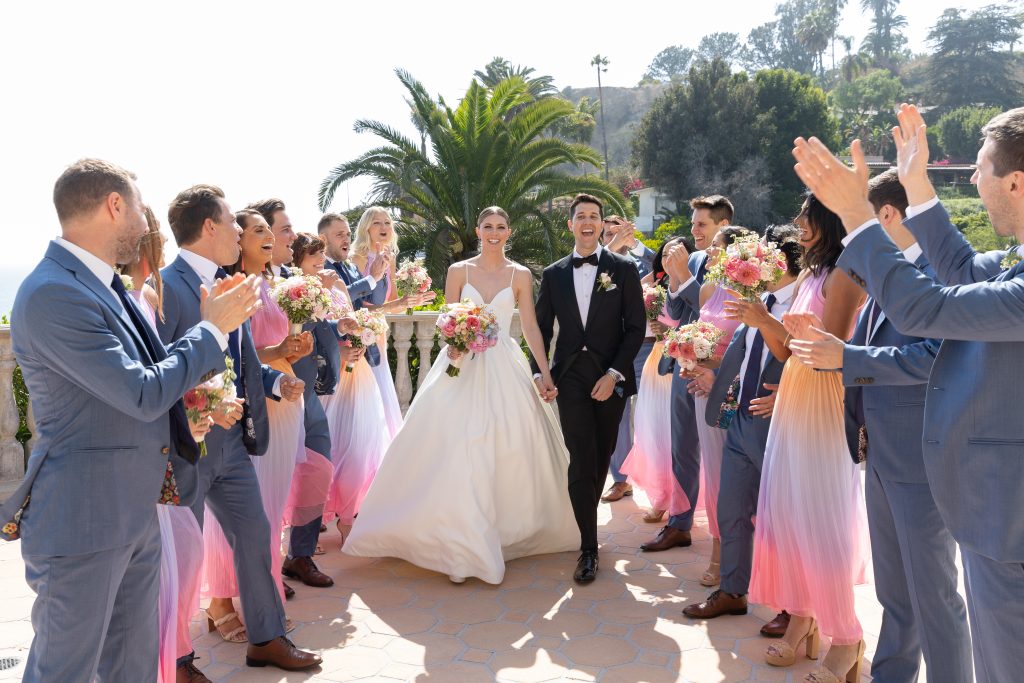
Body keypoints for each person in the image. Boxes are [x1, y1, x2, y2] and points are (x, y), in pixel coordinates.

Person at [791, 103, 1024, 683]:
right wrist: (918, 187)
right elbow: (963, 272)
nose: (971, 179)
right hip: (990, 506)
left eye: (979, 167)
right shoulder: (1011, 261)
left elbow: (930, 309)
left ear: (1016, 182)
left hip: (1008, 514)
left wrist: (857, 218)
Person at [2, 159, 258, 683]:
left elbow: (139, 383)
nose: (146, 223)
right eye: (140, 208)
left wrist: (190, 414)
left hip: (134, 512)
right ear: (114, 206)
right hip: (84, 522)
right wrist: (211, 332)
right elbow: (141, 391)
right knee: (64, 672)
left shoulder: (105, 285)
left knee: (131, 669)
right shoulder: (55, 292)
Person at [787, 169, 972, 682]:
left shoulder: (939, 275)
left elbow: (935, 356)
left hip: (920, 456)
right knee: (895, 591)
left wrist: (847, 357)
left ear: (887, 215)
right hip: (881, 453)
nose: (850, 235)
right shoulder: (883, 274)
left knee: (933, 595)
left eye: (856, 220)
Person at [344, 206, 579, 584]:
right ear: (477, 229)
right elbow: (445, 318)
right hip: (460, 364)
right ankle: (458, 544)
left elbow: (532, 328)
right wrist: (453, 344)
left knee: (506, 445)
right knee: (453, 445)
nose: (494, 232)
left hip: (503, 365)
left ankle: (503, 534)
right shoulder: (458, 271)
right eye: (488, 226)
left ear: (509, 232)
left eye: (501, 227)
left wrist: (544, 372)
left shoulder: (519, 275)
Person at [157, 184, 321, 671]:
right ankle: (179, 659)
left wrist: (274, 384)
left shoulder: (232, 281)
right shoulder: (165, 288)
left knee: (256, 535)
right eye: (232, 222)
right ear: (209, 227)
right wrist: (201, 409)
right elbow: (162, 367)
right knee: (184, 558)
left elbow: (242, 357)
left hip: (233, 447)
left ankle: (266, 638)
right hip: (190, 449)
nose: (236, 230)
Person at [747, 194, 870, 683]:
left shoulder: (845, 274)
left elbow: (831, 350)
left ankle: (846, 638)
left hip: (822, 397)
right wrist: (763, 322)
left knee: (820, 518)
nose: (798, 223)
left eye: (806, 215)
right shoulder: (810, 274)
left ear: (829, 221)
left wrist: (779, 325)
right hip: (796, 392)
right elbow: (785, 347)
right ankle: (802, 619)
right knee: (791, 511)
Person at [680, 225, 801, 637]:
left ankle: (792, 606)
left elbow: (796, 355)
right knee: (732, 510)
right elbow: (742, 353)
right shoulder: (760, 299)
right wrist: (711, 373)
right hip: (741, 421)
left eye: (760, 256)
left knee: (781, 517)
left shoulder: (802, 302)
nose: (747, 264)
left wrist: (783, 391)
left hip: (777, 423)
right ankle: (733, 591)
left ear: (780, 260)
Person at [531, 193, 646, 583]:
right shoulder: (553, 274)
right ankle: (588, 548)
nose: (587, 222)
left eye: (594, 217)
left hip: (609, 376)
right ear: (570, 225)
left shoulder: (624, 270)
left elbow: (635, 329)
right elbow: (541, 330)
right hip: (571, 379)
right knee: (581, 456)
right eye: (580, 216)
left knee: (602, 455)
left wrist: (613, 373)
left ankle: (586, 523)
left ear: (602, 225)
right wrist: (539, 372)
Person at [120, 207, 214, 683]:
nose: (154, 241)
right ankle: (171, 664)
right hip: (143, 461)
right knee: (161, 569)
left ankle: (175, 657)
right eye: (150, 232)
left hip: (167, 452)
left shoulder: (150, 294)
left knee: (186, 556)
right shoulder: (125, 298)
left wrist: (198, 411)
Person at [200, 209, 310, 612]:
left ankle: (262, 591)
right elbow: (236, 356)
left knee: (271, 506)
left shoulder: (274, 283)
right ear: (239, 240)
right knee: (242, 508)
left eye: (270, 229)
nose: (268, 236)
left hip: (284, 396)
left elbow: (274, 345)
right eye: (257, 230)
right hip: (250, 403)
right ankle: (221, 603)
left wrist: (294, 351)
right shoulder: (233, 287)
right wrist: (278, 353)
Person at [641, 194, 732, 552]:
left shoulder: (741, 261)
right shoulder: (693, 258)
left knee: (720, 454)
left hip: (719, 371)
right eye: (693, 222)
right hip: (683, 366)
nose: (693, 230)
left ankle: (725, 537)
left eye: (701, 224)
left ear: (722, 225)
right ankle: (680, 522)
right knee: (682, 446)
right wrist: (673, 282)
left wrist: (682, 277)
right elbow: (677, 312)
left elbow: (717, 307)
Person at [683, 226, 751, 587]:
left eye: (715, 249)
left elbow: (752, 352)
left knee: (738, 478)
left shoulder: (752, 294)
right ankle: (718, 550)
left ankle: (742, 557)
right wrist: (688, 355)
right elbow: (700, 336)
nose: (708, 255)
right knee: (714, 473)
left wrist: (716, 373)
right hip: (702, 392)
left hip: (735, 394)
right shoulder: (709, 289)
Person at [349, 206, 436, 437]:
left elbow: (394, 300)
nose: (384, 227)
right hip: (359, 333)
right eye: (377, 223)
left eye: (387, 223)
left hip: (380, 333)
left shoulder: (391, 257)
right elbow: (353, 303)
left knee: (381, 391)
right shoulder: (357, 258)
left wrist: (414, 293)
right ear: (366, 227)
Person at [619, 239, 684, 521]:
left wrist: (670, 332)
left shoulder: (692, 287)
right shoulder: (653, 286)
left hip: (681, 362)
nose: (670, 258)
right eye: (666, 253)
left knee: (676, 435)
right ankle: (660, 498)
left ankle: (681, 499)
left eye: (677, 253)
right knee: (652, 431)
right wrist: (657, 329)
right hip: (656, 363)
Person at [602, 215, 657, 503]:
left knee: (652, 415)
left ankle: (656, 477)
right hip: (617, 351)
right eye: (608, 234)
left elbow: (659, 265)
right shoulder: (601, 268)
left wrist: (634, 243)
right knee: (618, 416)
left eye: (619, 232)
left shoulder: (643, 262)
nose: (616, 238)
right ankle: (620, 480)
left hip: (649, 349)